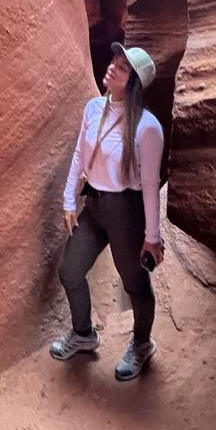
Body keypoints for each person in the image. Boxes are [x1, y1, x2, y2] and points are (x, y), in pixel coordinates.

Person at [49, 42, 165, 381]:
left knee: (134, 283)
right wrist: (69, 199)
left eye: (123, 68)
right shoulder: (92, 108)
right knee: (70, 271)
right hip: (95, 205)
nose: (113, 66)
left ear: (133, 84)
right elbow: (78, 157)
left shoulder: (147, 128)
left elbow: (149, 185)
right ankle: (83, 334)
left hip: (125, 212)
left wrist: (152, 238)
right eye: (114, 60)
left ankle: (142, 344)